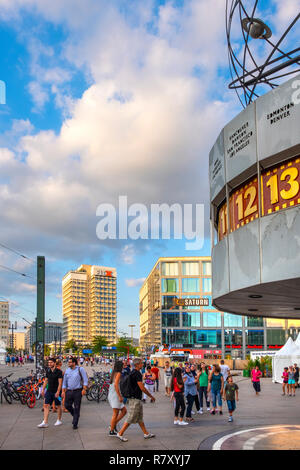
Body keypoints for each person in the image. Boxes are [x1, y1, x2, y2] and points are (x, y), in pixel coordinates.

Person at [116, 357, 156, 442]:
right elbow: (142, 387)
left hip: (135, 398)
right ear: (137, 364)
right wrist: (151, 396)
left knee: (139, 417)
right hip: (135, 399)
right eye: (141, 363)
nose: (143, 364)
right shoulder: (137, 373)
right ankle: (120, 433)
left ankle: (146, 433)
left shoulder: (133, 372)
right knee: (131, 417)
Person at [62, 357, 88, 429]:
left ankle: (75, 423)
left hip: (78, 391)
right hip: (69, 391)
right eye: (68, 362)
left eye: (70, 362)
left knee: (77, 407)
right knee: (67, 405)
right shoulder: (67, 371)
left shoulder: (80, 369)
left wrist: (84, 389)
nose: (68, 363)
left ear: (74, 363)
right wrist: (63, 391)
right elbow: (64, 382)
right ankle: (75, 415)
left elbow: (85, 380)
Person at [38, 357, 63, 428]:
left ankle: (59, 420)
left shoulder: (59, 372)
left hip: (56, 392)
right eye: (48, 363)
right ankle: (45, 422)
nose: (49, 364)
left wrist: (58, 391)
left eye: (51, 362)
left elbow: (60, 383)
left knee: (58, 405)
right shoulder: (48, 371)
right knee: (46, 405)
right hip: (49, 391)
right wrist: (43, 389)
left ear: (55, 363)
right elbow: (46, 380)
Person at [108, 360, 127, 436]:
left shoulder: (113, 372)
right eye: (122, 365)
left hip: (112, 393)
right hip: (115, 395)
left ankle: (113, 424)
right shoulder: (118, 373)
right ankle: (111, 430)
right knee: (116, 413)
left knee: (124, 411)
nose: (123, 366)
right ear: (120, 366)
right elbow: (116, 385)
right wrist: (119, 396)